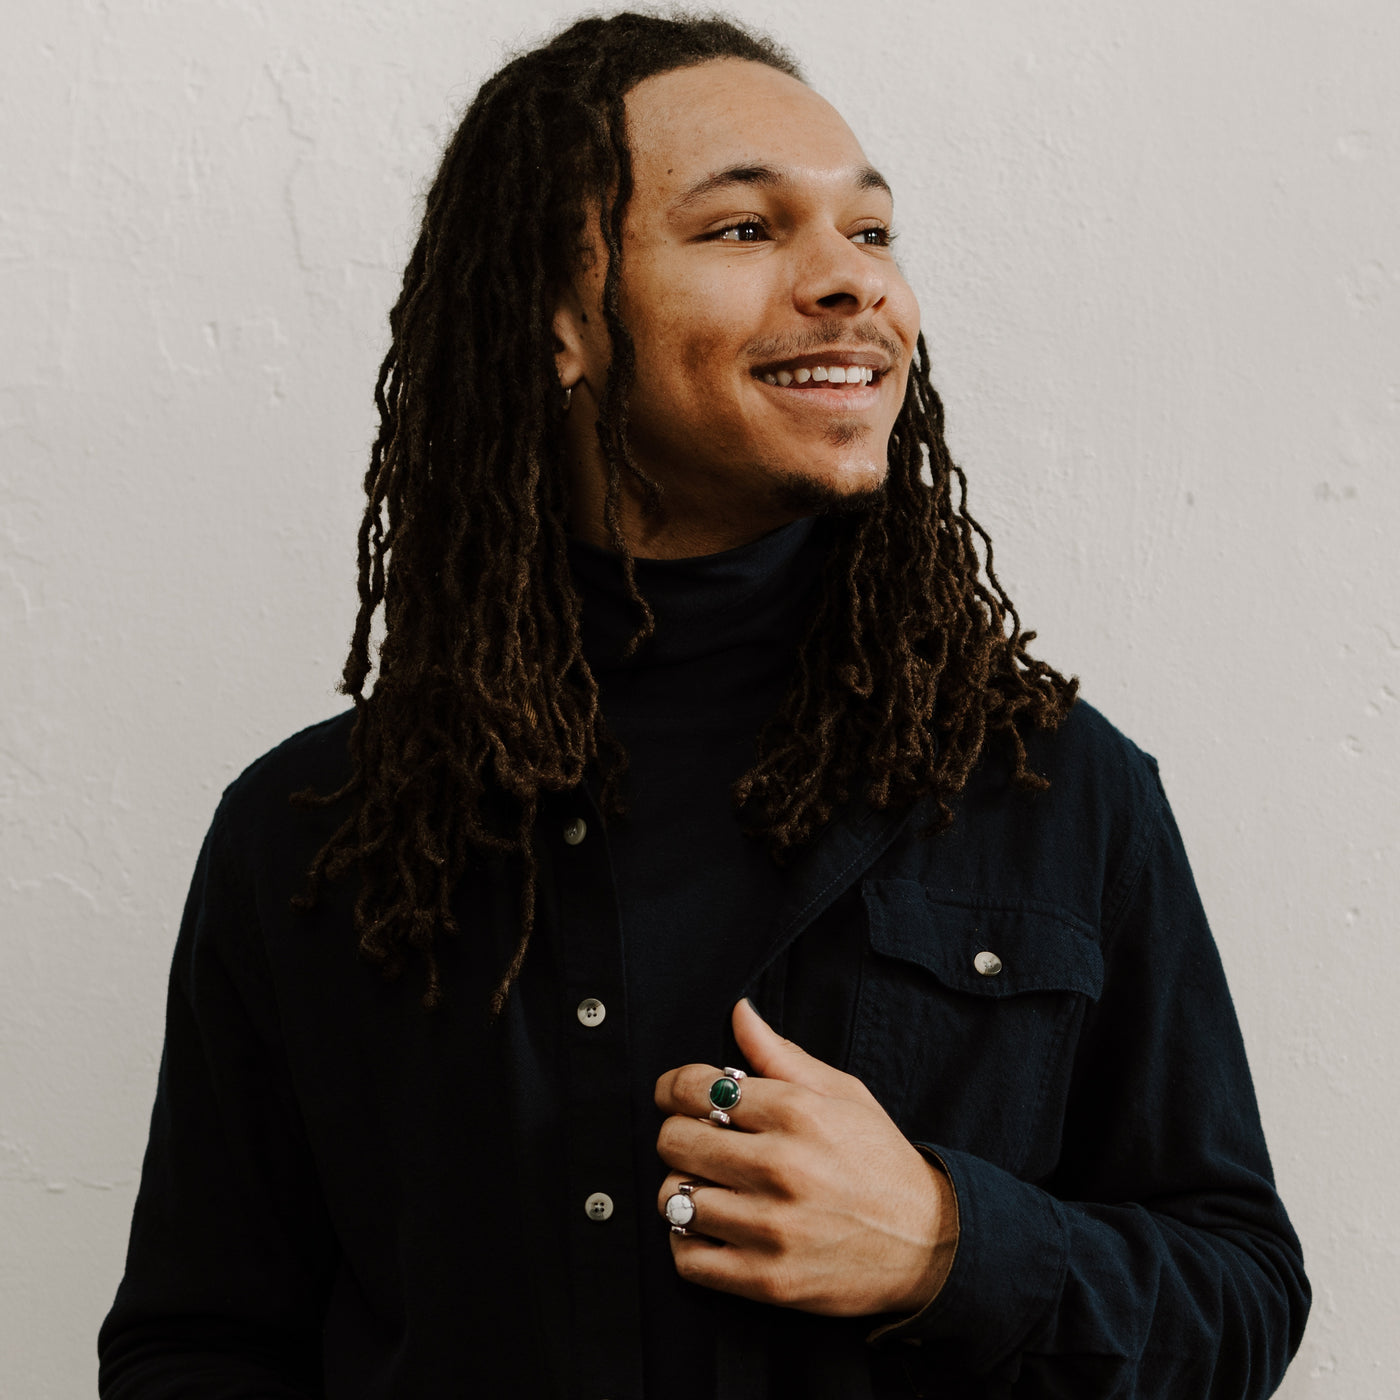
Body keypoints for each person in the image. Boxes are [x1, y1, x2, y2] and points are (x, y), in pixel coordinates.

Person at [98, 12, 1309, 1399]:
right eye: (744, 231)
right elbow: (200, 1342)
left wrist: (943, 1247)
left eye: (870, 233)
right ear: (561, 321)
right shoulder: (312, 833)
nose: (851, 285)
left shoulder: (1054, 786)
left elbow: (1240, 1297)